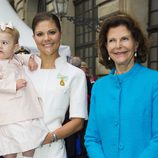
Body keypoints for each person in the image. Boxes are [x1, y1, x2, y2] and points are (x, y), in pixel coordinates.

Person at [84, 12, 158, 158]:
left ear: (136, 43)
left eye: (124, 39)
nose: (118, 46)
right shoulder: (99, 87)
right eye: (112, 40)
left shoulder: (154, 82)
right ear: (106, 47)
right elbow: (92, 138)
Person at [24, 12, 88, 158]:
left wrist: (48, 138)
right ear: (33, 38)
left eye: (52, 32)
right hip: (20, 149)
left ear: (60, 33)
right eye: (40, 34)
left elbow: (78, 121)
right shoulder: (22, 71)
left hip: (53, 150)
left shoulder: (75, 74)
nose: (46, 38)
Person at [0, 22, 48, 158]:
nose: (0, 46)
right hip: (6, 112)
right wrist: (13, 84)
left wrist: (31, 60)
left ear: (15, 47)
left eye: (4, 43)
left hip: (23, 109)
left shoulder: (16, 58)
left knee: (29, 139)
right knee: (8, 146)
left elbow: (25, 57)